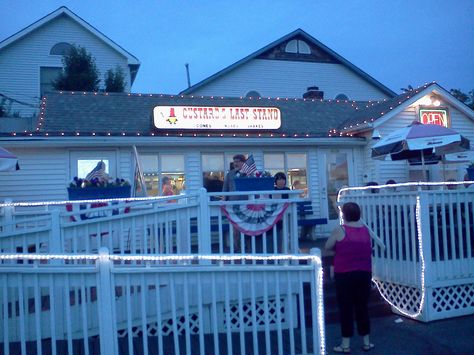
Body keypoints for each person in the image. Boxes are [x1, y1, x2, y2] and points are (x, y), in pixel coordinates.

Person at [325, 202, 374, 353]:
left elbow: (327, 246)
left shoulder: (340, 230)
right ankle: (366, 342)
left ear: (344, 214)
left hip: (344, 274)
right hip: (364, 273)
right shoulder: (366, 231)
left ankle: (345, 345)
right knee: (362, 307)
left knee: (345, 308)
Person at [222, 154, 247, 251]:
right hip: (234, 205)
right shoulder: (230, 174)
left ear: (243, 162)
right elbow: (225, 189)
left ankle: (248, 248)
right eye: (235, 161)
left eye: (238, 161)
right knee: (236, 229)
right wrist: (223, 201)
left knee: (247, 227)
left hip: (246, 204)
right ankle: (238, 249)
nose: (236, 163)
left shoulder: (247, 173)